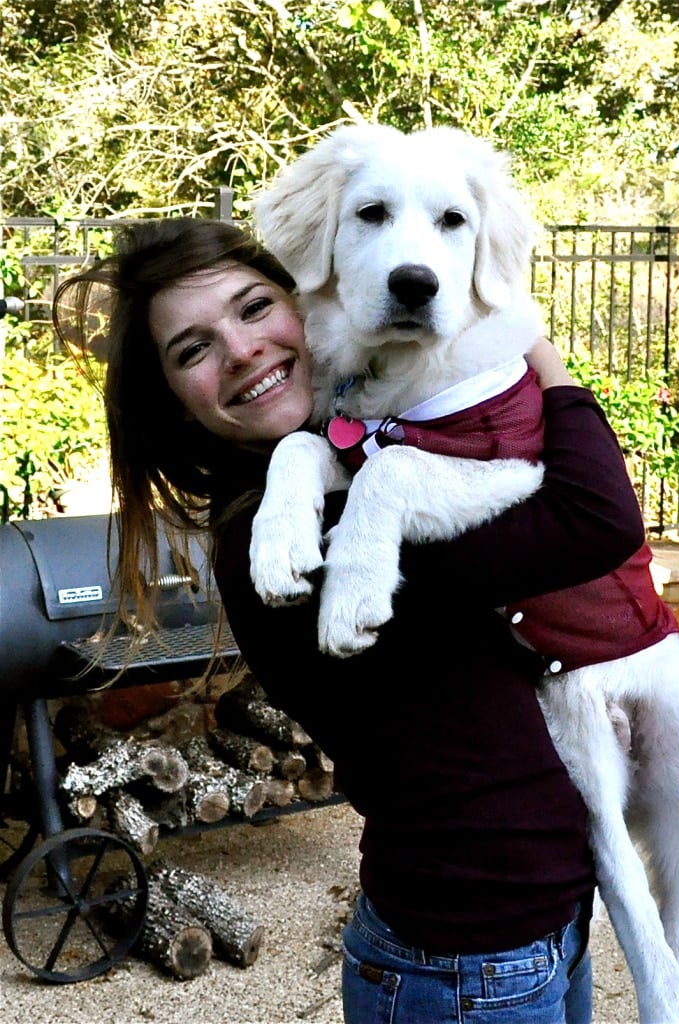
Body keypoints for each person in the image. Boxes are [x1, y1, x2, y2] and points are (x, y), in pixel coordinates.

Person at [54, 216, 647, 1024]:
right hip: (463, 960)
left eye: (256, 306)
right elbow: (595, 518)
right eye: (193, 350)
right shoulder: (288, 545)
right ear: (176, 406)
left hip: (537, 926)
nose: (241, 349)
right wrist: (537, 350)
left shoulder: (356, 463)